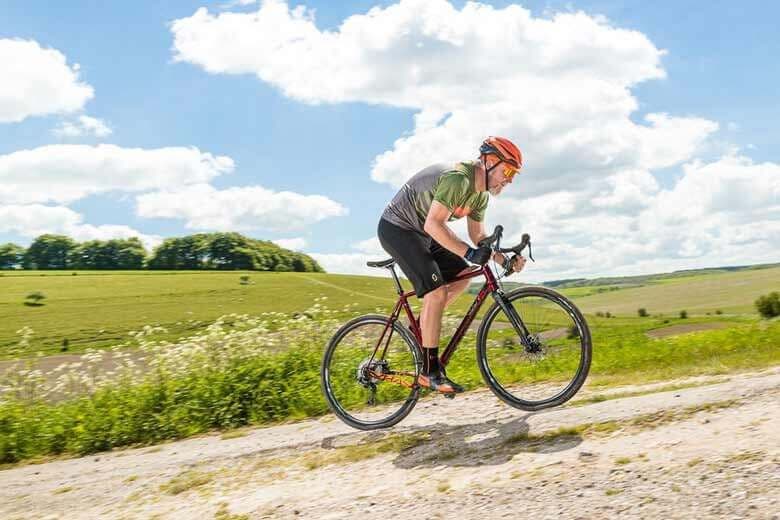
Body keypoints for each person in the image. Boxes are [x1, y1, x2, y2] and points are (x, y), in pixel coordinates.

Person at [377, 136, 527, 393]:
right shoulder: (459, 179)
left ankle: (424, 327)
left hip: (424, 233)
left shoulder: (480, 196)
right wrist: (469, 251)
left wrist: (504, 259)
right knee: (436, 292)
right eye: (509, 170)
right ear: (490, 162)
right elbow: (434, 224)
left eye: (514, 174)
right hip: (398, 228)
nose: (510, 179)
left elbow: (478, 238)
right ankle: (430, 372)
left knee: (464, 273)